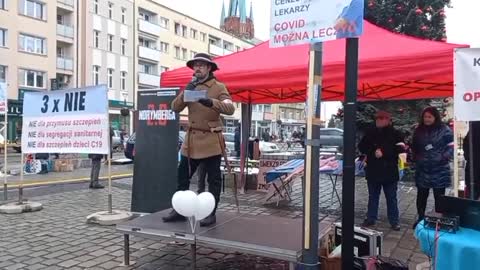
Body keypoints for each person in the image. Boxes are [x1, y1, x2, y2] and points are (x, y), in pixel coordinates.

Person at [163, 53, 235, 227]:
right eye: (195, 65)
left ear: (209, 68)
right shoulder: (191, 86)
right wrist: (186, 90)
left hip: (211, 140)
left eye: (201, 65)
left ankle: (210, 213)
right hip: (192, 141)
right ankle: (180, 210)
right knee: (182, 176)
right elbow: (174, 107)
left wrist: (210, 102)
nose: (197, 68)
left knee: (214, 179)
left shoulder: (218, 87)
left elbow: (230, 108)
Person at [358, 110, 405, 231]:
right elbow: (361, 146)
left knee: (391, 197)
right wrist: (372, 151)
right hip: (374, 170)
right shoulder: (370, 132)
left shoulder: (396, 134)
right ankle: (371, 218)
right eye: (377, 118)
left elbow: (401, 150)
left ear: (389, 120)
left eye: (382, 118)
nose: (379, 120)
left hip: (389, 170)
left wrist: (384, 153)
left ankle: (394, 221)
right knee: (373, 196)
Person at [411, 107, 454, 229]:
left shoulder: (444, 130)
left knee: (439, 197)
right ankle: (420, 218)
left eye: (429, 117)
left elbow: (451, 146)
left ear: (435, 117)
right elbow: (414, 147)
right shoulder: (419, 130)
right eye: (425, 117)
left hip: (439, 170)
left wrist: (443, 157)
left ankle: (438, 221)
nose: (427, 119)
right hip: (423, 169)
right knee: (421, 196)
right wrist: (416, 157)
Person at [463, 121, 480, 200]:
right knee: (472, 195)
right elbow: (466, 143)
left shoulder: (475, 124)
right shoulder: (475, 124)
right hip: (474, 168)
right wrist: (469, 157)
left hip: (473, 167)